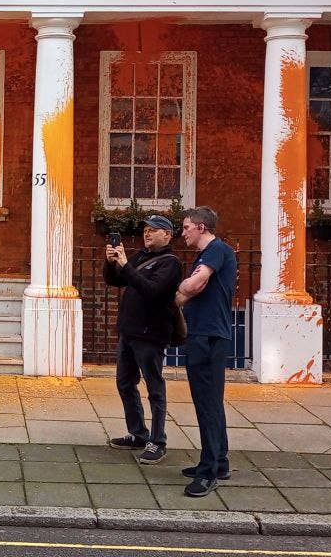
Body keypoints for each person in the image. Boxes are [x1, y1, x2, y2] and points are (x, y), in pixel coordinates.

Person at [104, 215, 182, 465]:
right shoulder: (139, 257)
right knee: (125, 383)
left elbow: (153, 291)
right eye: (146, 230)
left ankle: (157, 441)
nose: (147, 234)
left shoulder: (171, 263)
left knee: (155, 389)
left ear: (167, 235)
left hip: (150, 334)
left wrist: (126, 265)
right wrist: (112, 263)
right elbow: (115, 280)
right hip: (129, 331)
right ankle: (138, 434)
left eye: (154, 230)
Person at [175, 206, 238, 498]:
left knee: (207, 404)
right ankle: (220, 462)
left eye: (186, 226)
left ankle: (208, 471)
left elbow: (195, 284)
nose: (183, 232)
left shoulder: (215, 250)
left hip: (208, 336)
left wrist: (183, 289)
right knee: (211, 401)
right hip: (208, 334)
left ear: (201, 227)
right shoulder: (210, 253)